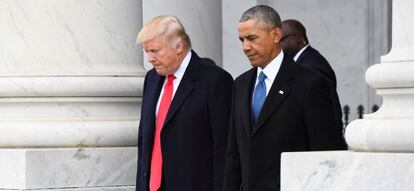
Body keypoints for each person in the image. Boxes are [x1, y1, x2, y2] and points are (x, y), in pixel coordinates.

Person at [223, 5, 347, 191]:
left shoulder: (309, 83)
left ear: (276, 35)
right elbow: (234, 155)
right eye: (242, 40)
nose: (245, 47)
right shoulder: (240, 84)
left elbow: (325, 154)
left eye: (252, 38)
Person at [136, 16, 233, 191]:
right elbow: (145, 139)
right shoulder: (152, 78)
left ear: (178, 47)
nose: (150, 58)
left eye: (155, 51)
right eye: (147, 52)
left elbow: (223, 148)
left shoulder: (215, 80)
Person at [280, 19, 346, 140]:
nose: (278, 46)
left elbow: (322, 112)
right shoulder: (302, 62)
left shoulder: (311, 65)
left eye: (282, 40)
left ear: (298, 38)